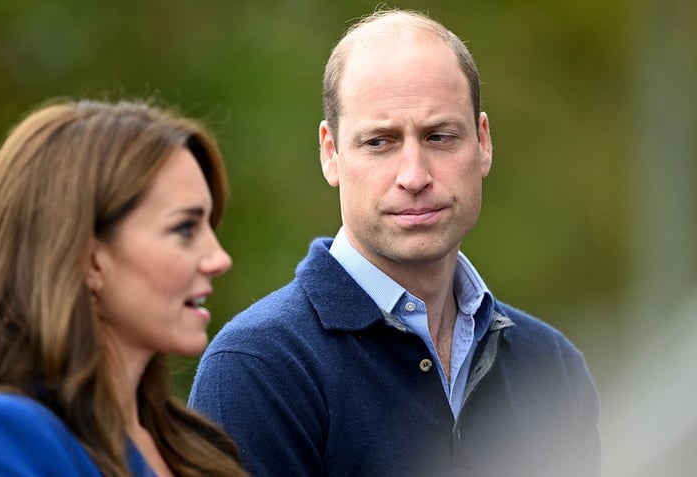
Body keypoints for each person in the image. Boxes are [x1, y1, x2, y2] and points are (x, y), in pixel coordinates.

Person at [189, 8, 600, 477]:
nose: (414, 176)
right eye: (379, 142)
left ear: (483, 143)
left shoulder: (553, 368)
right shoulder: (258, 370)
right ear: (331, 154)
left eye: (440, 136)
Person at [0, 99, 249, 477]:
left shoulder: (199, 444)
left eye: (210, 227)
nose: (219, 258)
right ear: (89, 258)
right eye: (185, 229)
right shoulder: (3, 434)